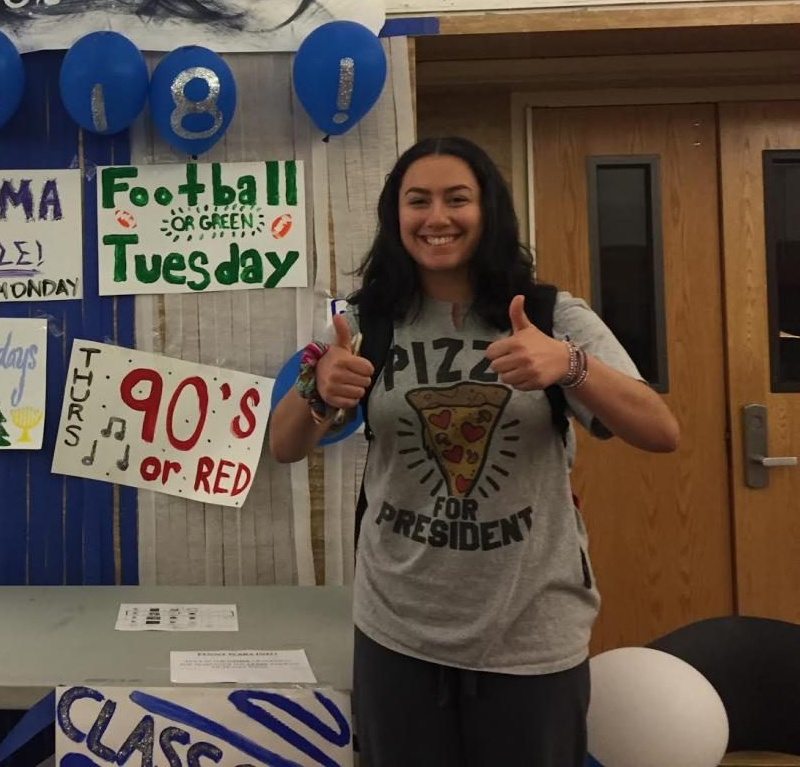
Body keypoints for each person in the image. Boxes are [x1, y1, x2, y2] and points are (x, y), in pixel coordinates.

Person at [269, 136, 679, 767]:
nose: (437, 217)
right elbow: (285, 444)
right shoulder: (367, 320)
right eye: (418, 201)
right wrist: (318, 389)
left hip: (531, 634)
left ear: (487, 211)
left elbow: (660, 429)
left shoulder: (550, 315)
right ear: (395, 216)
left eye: (457, 199)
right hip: (397, 630)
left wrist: (569, 365)